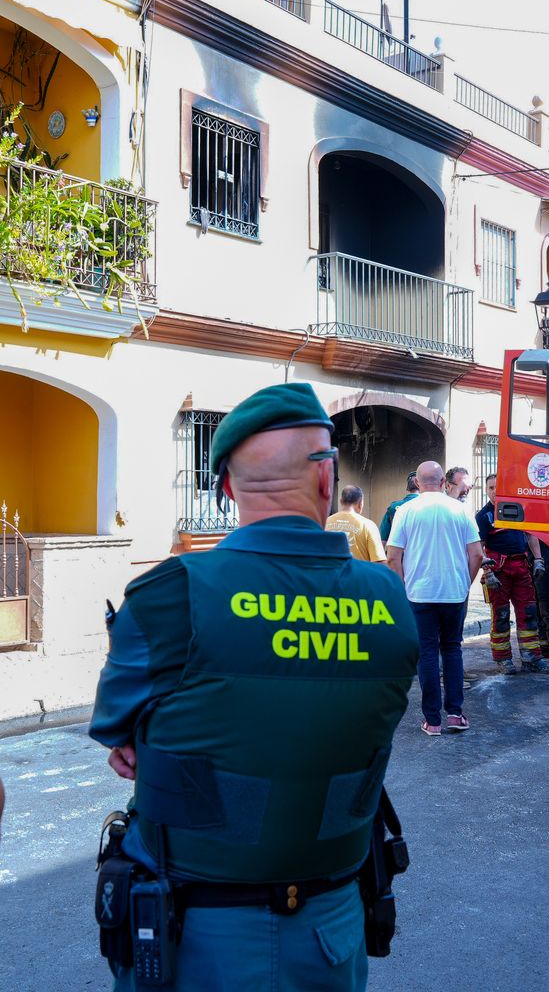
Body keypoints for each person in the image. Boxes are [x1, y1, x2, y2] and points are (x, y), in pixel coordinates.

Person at [89, 382, 418, 991]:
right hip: (331, 932)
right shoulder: (392, 602)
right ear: (327, 481)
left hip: (192, 940)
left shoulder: (166, 596)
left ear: (226, 491)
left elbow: (121, 738)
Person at [387, 461, 484, 736]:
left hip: (418, 594)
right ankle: (455, 714)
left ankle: (432, 721)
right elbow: (476, 554)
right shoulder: (462, 510)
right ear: (443, 483)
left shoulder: (405, 511)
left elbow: (393, 556)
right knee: (452, 648)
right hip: (454, 592)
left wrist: (403, 589)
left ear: (417, 483)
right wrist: (465, 584)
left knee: (427, 652)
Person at [476, 474, 549, 675]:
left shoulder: (517, 509)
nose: (494, 491)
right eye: (491, 488)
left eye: (498, 487)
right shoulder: (484, 516)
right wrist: (487, 572)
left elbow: (530, 533)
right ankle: (503, 660)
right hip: (498, 572)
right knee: (501, 615)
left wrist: (538, 559)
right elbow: (479, 547)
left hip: (521, 567)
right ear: (486, 490)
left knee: (528, 613)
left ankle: (532, 659)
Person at [326, 484, 386, 563]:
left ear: (341, 501)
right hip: (359, 574)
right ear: (360, 503)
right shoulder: (368, 525)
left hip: (329, 574)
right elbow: (379, 563)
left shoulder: (325, 522)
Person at [379, 472, 419, 541]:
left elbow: (382, 539)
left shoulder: (393, 507)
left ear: (408, 488)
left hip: (397, 550)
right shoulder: (429, 507)